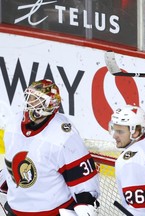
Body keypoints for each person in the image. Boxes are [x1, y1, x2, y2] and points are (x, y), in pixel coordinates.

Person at [1, 79, 100, 215]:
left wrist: (85, 202)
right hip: (15, 211)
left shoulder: (63, 135)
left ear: (50, 104)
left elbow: (83, 179)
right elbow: (13, 162)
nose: (30, 103)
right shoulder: (13, 124)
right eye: (30, 98)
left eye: (36, 99)